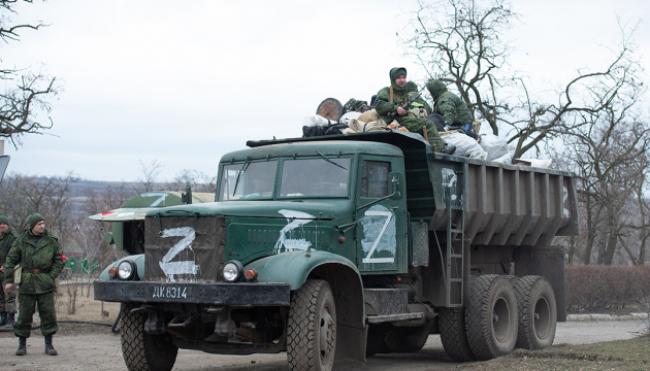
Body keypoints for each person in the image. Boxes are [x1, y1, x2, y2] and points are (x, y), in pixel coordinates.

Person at [3, 213, 63, 356]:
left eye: (43, 223)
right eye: (39, 224)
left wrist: (51, 276)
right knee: (24, 315)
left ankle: (49, 345)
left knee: (48, 315)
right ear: (32, 226)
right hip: (27, 282)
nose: (42, 226)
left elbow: (59, 260)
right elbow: (11, 260)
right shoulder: (21, 241)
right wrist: (9, 280)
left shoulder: (51, 241)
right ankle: (22, 345)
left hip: (45, 282)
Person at [375, 67, 446, 151]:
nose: (402, 80)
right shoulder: (386, 91)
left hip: (405, 120)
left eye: (403, 77)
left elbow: (424, 108)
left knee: (429, 121)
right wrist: (396, 108)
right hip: (393, 121)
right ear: (393, 79)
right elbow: (379, 105)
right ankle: (439, 149)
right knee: (427, 124)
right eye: (398, 78)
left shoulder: (406, 93)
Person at [0, 215, 17, 329]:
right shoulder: (1, 238)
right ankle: (3, 318)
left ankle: (11, 320)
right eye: (0, 225)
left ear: (8, 225)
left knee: (9, 295)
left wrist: (6, 266)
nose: (2, 227)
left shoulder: (13, 238)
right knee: (1, 296)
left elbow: (15, 255)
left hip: (9, 271)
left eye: (4, 224)